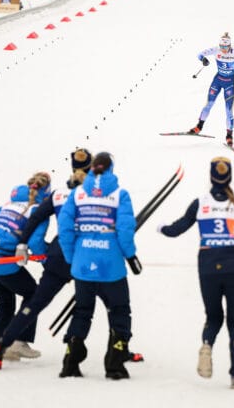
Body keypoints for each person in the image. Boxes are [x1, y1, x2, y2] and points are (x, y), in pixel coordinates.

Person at [156, 157, 234, 390]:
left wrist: (162, 228)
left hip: (208, 266)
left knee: (213, 317)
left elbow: (177, 229)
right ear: (229, 177)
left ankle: (207, 344)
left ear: (211, 177)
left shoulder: (200, 203)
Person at [56, 152, 141, 380]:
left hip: (83, 265)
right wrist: (131, 256)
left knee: (82, 312)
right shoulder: (120, 195)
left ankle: (70, 360)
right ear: (111, 168)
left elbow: (64, 228)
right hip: (110, 265)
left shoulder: (77, 194)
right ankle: (115, 363)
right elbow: (124, 230)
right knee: (120, 311)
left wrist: (71, 257)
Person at [0, 172, 52, 363]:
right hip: (1, 262)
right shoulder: (40, 209)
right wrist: (47, 260)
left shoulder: (7, 204)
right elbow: (35, 241)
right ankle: (19, 341)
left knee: (5, 298)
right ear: (47, 191)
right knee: (33, 293)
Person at [189, 32, 234, 146]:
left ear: (229, 46)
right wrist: (203, 59)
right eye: (221, 47)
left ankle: (229, 136)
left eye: (225, 47)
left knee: (228, 111)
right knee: (208, 104)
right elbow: (200, 54)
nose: (223, 49)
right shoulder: (216, 50)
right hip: (217, 81)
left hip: (229, 83)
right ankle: (198, 127)